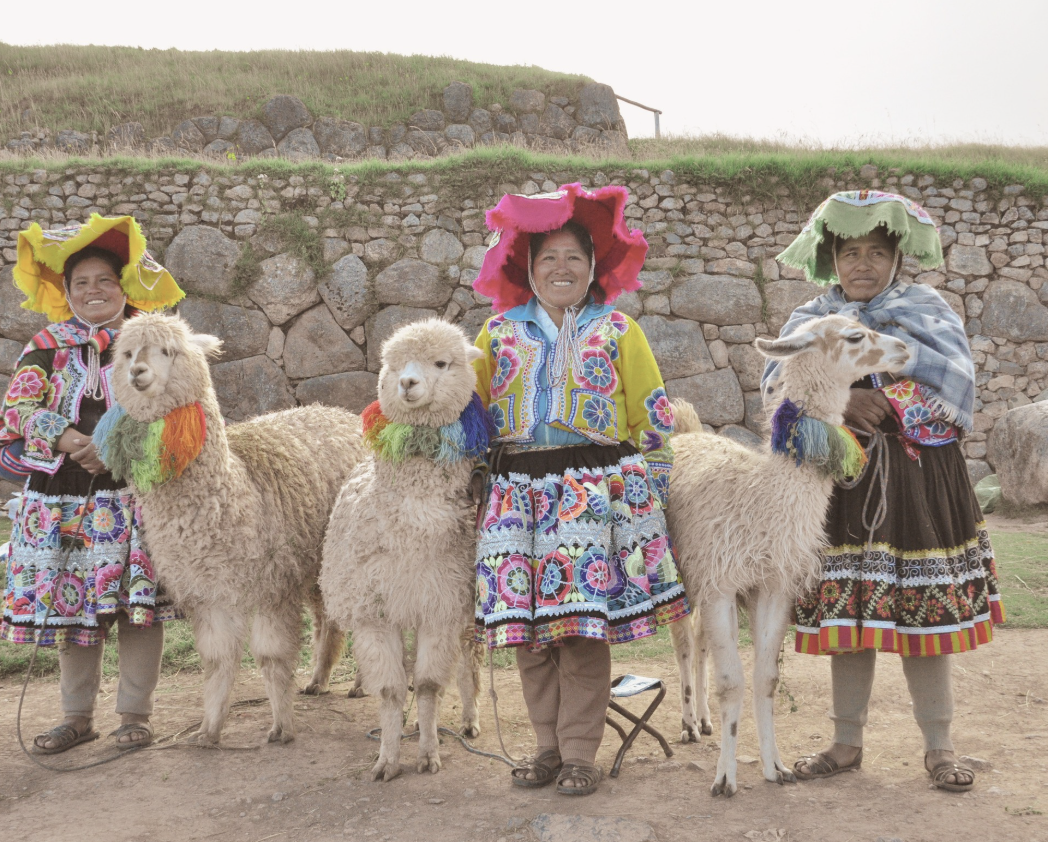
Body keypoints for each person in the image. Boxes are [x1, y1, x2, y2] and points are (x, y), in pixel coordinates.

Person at [763, 191, 1004, 793]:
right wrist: (844, 403)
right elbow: (782, 389)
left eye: (875, 251)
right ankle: (845, 743)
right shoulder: (810, 321)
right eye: (850, 252)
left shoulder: (927, 309)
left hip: (917, 481)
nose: (862, 264)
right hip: (841, 487)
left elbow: (957, 382)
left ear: (896, 258)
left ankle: (939, 746)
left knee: (921, 612)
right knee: (851, 614)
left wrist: (888, 398)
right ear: (832, 260)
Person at [471, 183, 690, 796]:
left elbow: (653, 413)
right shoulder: (496, 334)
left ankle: (578, 754)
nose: (561, 267)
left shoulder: (618, 330)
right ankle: (544, 747)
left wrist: (652, 492)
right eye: (548, 258)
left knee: (578, 626)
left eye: (574, 257)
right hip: (518, 490)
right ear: (529, 270)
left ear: (593, 267)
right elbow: (472, 415)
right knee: (527, 626)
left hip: (593, 493)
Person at [1, 214, 185, 753]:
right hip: (60, 499)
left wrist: (116, 447)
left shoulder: (149, 338)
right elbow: (18, 408)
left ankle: (134, 714)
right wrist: (66, 438)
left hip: (132, 493)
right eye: (81, 283)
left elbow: (177, 404)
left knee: (135, 606)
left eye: (104, 280)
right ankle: (76, 716)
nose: (93, 291)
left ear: (121, 286)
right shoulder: (46, 345)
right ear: (68, 292)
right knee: (71, 607)